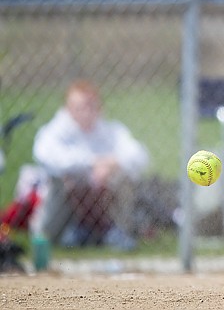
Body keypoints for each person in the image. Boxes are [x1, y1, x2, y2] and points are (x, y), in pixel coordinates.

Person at [31, 79, 149, 250]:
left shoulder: (110, 130)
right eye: (79, 107)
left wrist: (111, 165)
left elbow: (139, 155)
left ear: (99, 108)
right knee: (62, 179)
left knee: (122, 178)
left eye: (91, 106)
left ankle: (113, 231)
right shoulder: (56, 131)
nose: (86, 112)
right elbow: (46, 156)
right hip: (67, 202)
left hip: (103, 198)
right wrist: (91, 164)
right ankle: (68, 230)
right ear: (68, 109)